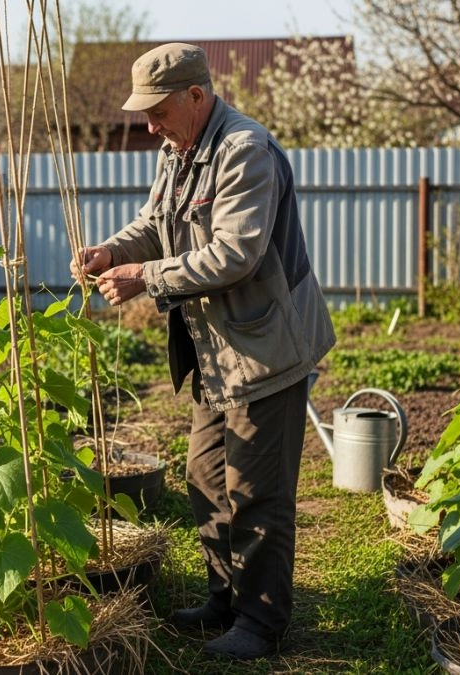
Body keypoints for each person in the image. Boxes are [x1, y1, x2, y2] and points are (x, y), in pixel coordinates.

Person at [72, 42, 336, 660]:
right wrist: (114, 251)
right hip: (216, 348)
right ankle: (226, 598)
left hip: (264, 347)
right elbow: (154, 223)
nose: (150, 126)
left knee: (257, 490)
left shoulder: (245, 151)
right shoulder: (179, 150)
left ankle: (261, 623)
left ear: (196, 96)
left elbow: (234, 254)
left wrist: (145, 278)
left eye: (158, 112)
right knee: (206, 475)